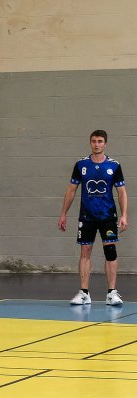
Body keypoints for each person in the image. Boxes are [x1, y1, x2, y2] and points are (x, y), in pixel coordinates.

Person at [58, 129, 128, 306]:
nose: (97, 144)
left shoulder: (114, 166)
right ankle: (84, 293)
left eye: (100, 141)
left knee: (110, 252)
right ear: (90, 142)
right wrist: (63, 213)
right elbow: (71, 190)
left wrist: (124, 215)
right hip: (87, 216)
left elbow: (121, 192)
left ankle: (111, 293)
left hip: (107, 216)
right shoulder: (81, 164)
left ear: (105, 143)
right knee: (85, 252)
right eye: (94, 141)